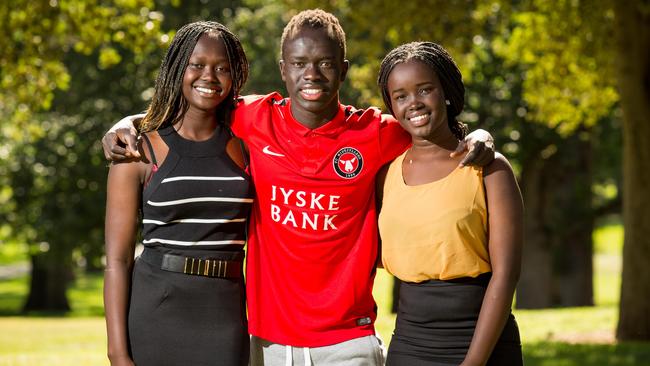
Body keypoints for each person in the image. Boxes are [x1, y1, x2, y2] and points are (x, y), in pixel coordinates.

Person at [102, 10, 495, 366]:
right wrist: (130, 122)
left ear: (342, 70)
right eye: (300, 64)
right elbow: (196, 105)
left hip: (348, 339)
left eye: (325, 64)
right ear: (283, 69)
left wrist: (479, 133)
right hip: (268, 340)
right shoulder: (251, 119)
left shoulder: (375, 133)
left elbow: (432, 129)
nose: (312, 74)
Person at [103, 21, 252, 366]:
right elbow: (117, 260)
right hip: (157, 312)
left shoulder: (246, 145)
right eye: (196, 65)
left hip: (225, 314)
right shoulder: (137, 150)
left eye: (222, 68)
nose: (209, 76)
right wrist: (118, 353)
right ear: (176, 68)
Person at [376, 41, 524, 366]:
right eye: (400, 96)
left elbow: (506, 274)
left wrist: (474, 362)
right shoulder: (384, 175)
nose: (413, 103)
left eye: (424, 89)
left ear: (445, 91)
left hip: (483, 343)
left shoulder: (490, 169)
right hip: (409, 346)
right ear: (391, 105)